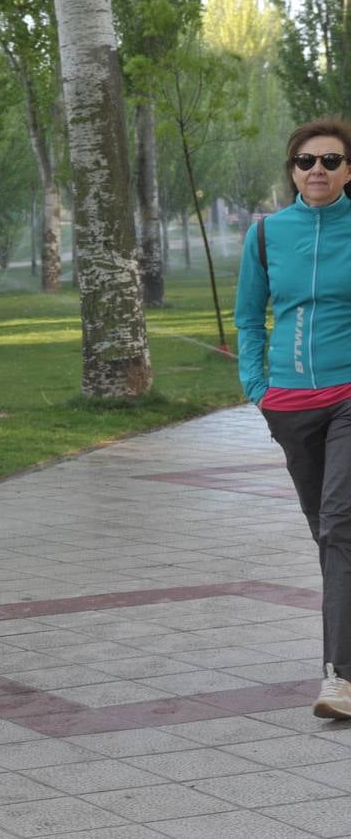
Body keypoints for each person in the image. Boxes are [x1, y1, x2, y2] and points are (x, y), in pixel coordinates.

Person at [234, 117, 351, 720]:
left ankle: (339, 678)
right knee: (329, 533)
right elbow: (249, 318)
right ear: (292, 170)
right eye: (307, 161)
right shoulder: (266, 236)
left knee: (337, 524)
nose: (318, 171)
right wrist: (258, 388)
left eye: (331, 161)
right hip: (289, 406)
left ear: (348, 170)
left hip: (349, 397)